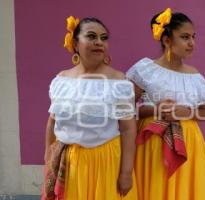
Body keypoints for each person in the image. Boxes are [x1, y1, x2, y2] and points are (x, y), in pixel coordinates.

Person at [41, 16, 138, 200]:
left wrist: (126, 172)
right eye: (92, 36)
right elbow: (52, 121)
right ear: (76, 43)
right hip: (69, 165)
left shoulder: (119, 82)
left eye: (104, 38)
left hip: (107, 162)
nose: (99, 42)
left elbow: (128, 129)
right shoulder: (61, 80)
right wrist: (48, 157)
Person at [126, 8, 205, 200]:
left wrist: (187, 111)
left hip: (189, 143)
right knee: (155, 189)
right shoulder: (145, 70)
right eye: (184, 37)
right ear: (167, 41)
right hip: (152, 143)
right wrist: (155, 109)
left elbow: (204, 113)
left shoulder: (195, 76)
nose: (191, 43)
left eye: (193, 37)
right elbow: (125, 110)